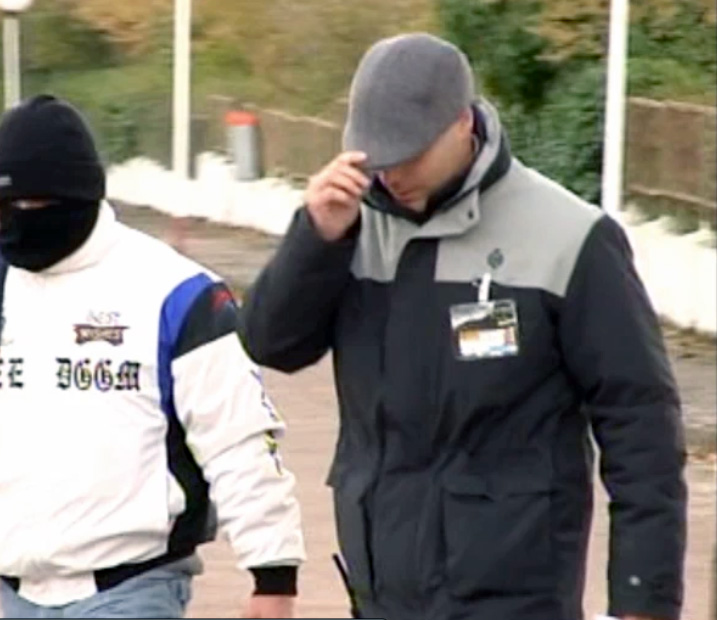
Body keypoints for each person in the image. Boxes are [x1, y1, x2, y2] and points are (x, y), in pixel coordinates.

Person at [236, 32, 687, 620]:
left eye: (409, 153)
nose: (391, 173)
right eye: (378, 156)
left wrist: (643, 598)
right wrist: (315, 238)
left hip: (515, 596)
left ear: (462, 122)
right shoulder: (349, 227)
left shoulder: (571, 238)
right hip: (383, 593)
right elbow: (272, 344)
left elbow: (641, 422)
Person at [0, 94, 306, 619]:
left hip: (132, 588)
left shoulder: (176, 293)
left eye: (41, 205)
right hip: (14, 588)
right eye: (12, 204)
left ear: (86, 196)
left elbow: (238, 440)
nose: (25, 218)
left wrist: (272, 575)